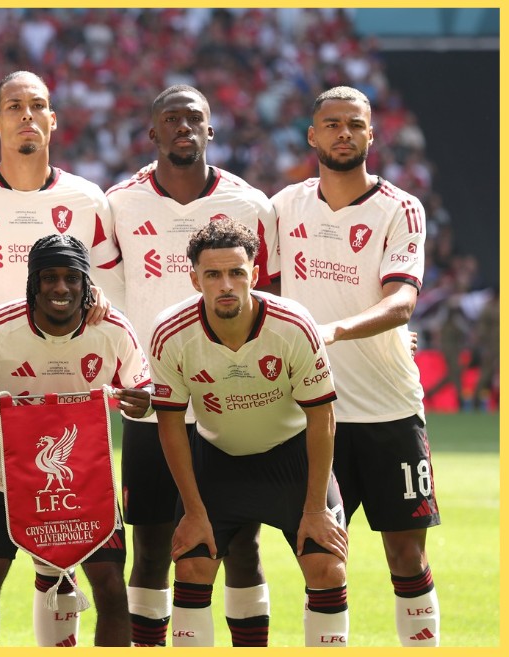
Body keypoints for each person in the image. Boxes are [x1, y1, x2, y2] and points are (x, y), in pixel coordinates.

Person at [0, 70, 121, 645]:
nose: (26, 116)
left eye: (37, 105)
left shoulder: (87, 200)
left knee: (62, 554)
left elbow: (110, 292)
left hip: (64, 401)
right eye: (13, 106)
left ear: (53, 120)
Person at [104, 85, 278, 646]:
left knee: (239, 543)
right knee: (153, 544)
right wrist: (121, 375)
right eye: (171, 120)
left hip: (230, 408)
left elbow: (270, 301)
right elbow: (108, 303)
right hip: (153, 404)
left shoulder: (251, 206)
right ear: (152, 133)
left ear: (211, 130)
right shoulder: (120, 204)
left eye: (194, 119)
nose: (183, 127)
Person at [275, 86, 440, 646]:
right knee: (320, 559)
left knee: (405, 553)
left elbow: (403, 300)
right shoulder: (284, 208)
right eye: (332, 124)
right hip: (315, 415)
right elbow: (260, 294)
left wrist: (337, 330)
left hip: (390, 408)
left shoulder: (400, 207)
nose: (344, 132)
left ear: (372, 134)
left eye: (355, 124)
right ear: (312, 136)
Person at [0, 234, 151, 646]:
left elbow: (143, 393)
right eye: (49, 278)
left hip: (87, 480)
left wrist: (140, 404)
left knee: (111, 586)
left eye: (72, 278)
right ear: (32, 283)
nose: (61, 288)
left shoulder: (113, 329)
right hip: (5, 477)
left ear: (86, 284)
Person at [149, 219, 348, 647]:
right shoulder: (171, 333)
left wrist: (315, 508)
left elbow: (322, 418)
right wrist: (193, 510)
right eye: (213, 274)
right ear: (193, 278)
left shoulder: (293, 325)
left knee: (327, 566)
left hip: (293, 460)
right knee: (191, 565)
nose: (226, 284)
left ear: (254, 274)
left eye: (237, 272)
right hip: (217, 460)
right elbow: (170, 428)